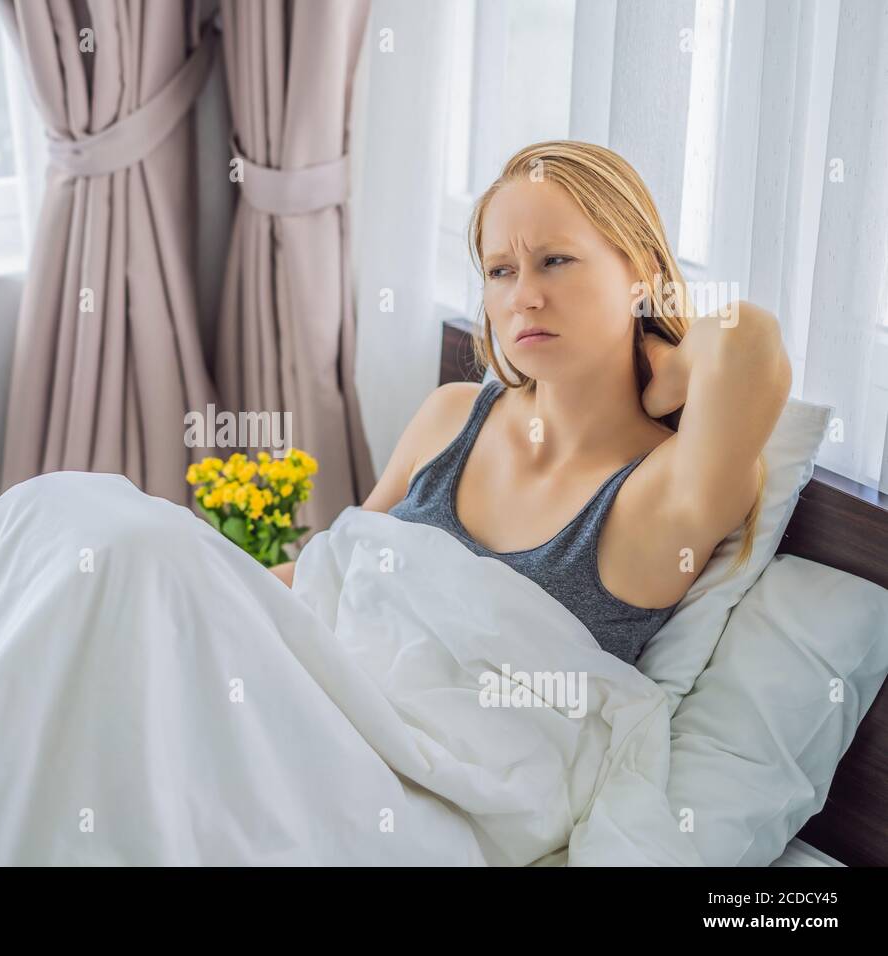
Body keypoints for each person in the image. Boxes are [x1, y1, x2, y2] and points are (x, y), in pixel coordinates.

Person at [271, 140, 791, 665]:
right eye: (501, 271)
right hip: (311, 685)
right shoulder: (450, 418)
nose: (523, 297)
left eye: (555, 260)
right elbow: (326, 570)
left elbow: (747, 339)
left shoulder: (659, 493)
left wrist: (670, 372)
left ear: (643, 277)